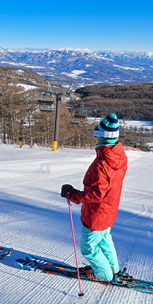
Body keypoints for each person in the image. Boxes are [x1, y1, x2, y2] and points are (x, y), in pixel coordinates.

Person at [61, 113, 128, 282]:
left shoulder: (101, 163)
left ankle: (104, 275)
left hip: (96, 214)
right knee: (105, 240)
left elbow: (98, 194)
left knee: (89, 248)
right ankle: (113, 270)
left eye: (96, 134)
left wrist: (72, 194)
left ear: (100, 137)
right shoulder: (118, 157)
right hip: (109, 211)